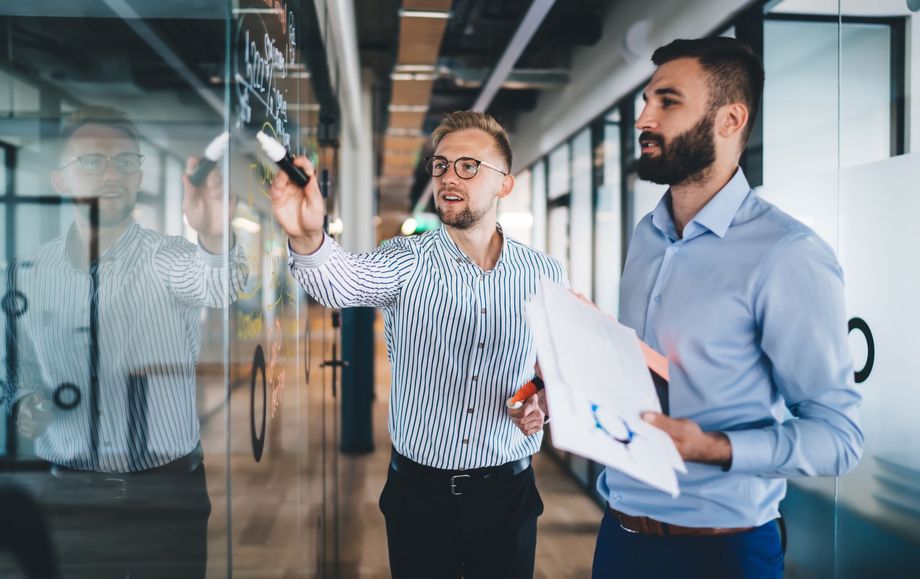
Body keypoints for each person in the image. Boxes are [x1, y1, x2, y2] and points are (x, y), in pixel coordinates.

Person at [590, 37, 864, 579]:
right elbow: (647, 373)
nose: (644, 117)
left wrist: (713, 447)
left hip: (720, 556)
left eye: (667, 101)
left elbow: (839, 438)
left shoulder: (788, 254)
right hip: (619, 537)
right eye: (646, 100)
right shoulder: (647, 235)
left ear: (729, 119)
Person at [269, 110, 566, 578]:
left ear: (504, 184)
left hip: (508, 492)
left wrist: (539, 401)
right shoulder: (405, 260)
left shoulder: (545, 273)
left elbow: (550, 369)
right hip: (421, 496)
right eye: (442, 165)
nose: (449, 176)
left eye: (469, 166)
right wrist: (307, 235)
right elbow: (339, 284)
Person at [6, 106, 248, 578]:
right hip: (69, 495)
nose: (112, 174)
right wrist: (21, 402)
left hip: (166, 494)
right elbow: (16, 366)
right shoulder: (25, 273)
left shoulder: (170, 258)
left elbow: (222, 286)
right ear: (60, 180)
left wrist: (214, 233)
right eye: (93, 163)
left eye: (125, 162)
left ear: (139, 177)